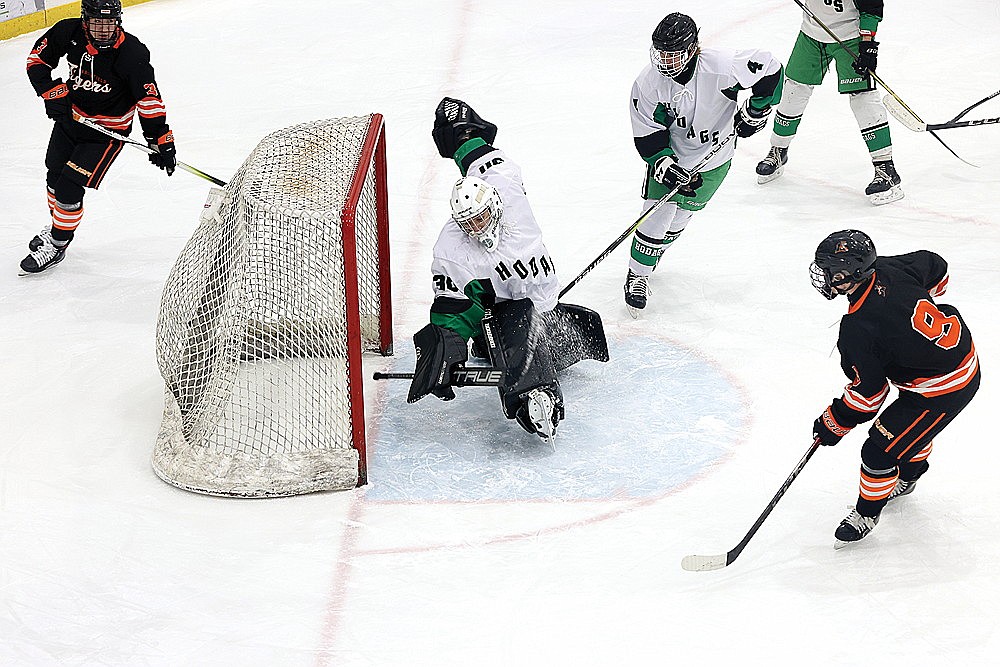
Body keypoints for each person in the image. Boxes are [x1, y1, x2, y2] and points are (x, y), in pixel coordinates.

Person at [407, 97, 609, 444]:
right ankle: (534, 396)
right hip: (504, 319)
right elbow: (453, 306)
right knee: (517, 317)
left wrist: (458, 125)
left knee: (552, 334)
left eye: (481, 217)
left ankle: (514, 356)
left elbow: (476, 151)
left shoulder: (505, 185)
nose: (476, 228)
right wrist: (446, 350)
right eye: (467, 223)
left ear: (496, 205)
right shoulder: (453, 249)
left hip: (551, 314)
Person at [809, 230, 980, 544]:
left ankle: (866, 513)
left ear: (851, 273)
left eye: (831, 271)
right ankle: (911, 472)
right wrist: (917, 306)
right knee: (906, 431)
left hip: (943, 388)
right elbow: (935, 265)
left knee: (877, 451)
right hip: (949, 357)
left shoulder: (858, 329)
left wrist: (835, 422)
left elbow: (869, 396)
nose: (824, 276)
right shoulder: (886, 268)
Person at [625, 12, 783, 315]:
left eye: (673, 54)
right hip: (673, 155)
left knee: (680, 218)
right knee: (657, 215)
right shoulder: (648, 84)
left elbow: (771, 68)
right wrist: (664, 163)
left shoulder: (724, 67)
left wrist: (757, 110)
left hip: (714, 159)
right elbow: (646, 135)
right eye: (661, 53)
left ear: (693, 48)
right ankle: (638, 275)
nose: (665, 61)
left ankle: (653, 254)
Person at [20, 0, 176, 275]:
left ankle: (57, 244)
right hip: (71, 119)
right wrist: (51, 92)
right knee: (53, 175)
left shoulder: (132, 53)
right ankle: (58, 223)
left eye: (109, 22)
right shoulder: (67, 33)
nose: (104, 30)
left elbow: (149, 100)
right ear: (84, 21)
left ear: (119, 20)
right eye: (97, 23)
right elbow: (37, 60)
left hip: (106, 132)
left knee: (69, 187)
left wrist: (159, 139)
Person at [755, 0, 903, 206]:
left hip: (850, 37)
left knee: (863, 98)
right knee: (794, 90)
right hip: (811, 34)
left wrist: (868, 44)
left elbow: (871, 7)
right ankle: (778, 150)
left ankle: (886, 168)